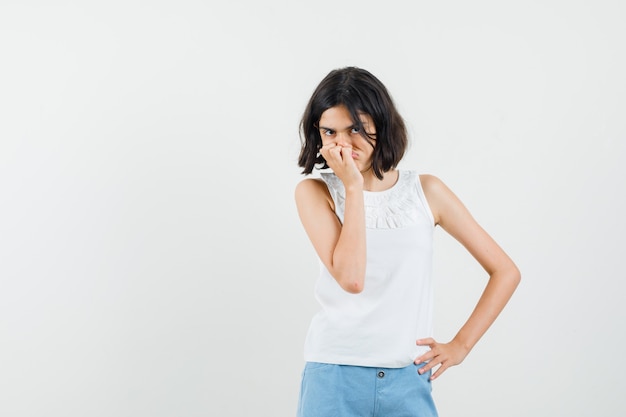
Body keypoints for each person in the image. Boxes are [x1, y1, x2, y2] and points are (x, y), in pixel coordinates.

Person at [294, 66, 521, 417]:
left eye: (356, 129)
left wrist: (461, 345)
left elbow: (505, 271)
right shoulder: (314, 192)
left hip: (407, 379)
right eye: (330, 131)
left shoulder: (426, 191)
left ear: (380, 126)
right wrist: (353, 187)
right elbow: (352, 278)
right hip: (333, 376)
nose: (342, 143)